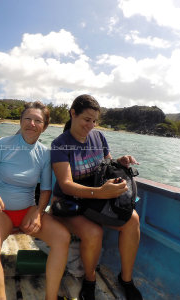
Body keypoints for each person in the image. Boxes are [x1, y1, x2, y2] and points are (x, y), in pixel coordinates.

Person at [50, 94, 142, 300]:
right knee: (93, 232)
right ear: (73, 113)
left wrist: (121, 161)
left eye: (94, 121)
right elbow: (65, 185)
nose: (91, 125)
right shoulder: (60, 144)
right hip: (68, 203)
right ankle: (90, 279)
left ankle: (126, 279)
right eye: (86, 119)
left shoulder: (99, 137)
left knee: (132, 220)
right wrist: (100, 193)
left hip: (94, 200)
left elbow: (106, 166)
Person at [0, 101, 70, 300]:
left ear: (44, 127)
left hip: (28, 211)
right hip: (1, 213)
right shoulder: (3, 145)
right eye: (27, 118)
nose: (32, 124)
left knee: (62, 237)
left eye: (38, 121)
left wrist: (38, 211)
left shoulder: (44, 153)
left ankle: (50, 297)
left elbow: (45, 189)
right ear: (20, 121)